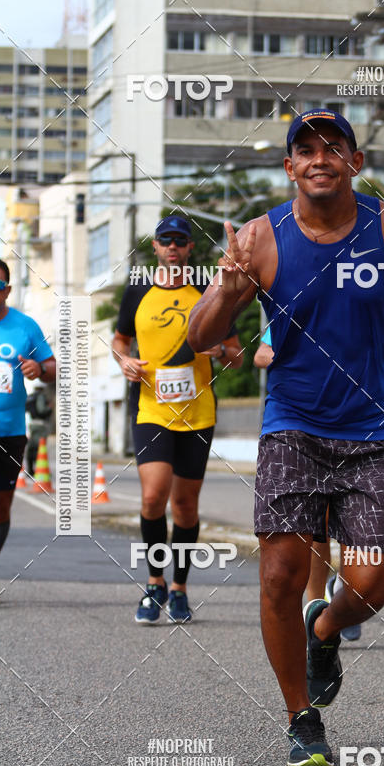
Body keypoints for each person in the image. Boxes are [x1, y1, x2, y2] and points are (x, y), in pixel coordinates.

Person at [188, 109, 384, 766]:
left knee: (372, 583)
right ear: (290, 167)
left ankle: (325, 627)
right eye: (305, 150)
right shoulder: (259, 238)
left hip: (377, 427)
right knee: (279, 574)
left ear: (355, 162)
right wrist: (228, 287)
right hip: (292, 426)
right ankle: (301, 717)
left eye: (334, 147)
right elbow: (199, 335)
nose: (319, 158)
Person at [112, 216, 243, 625]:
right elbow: (119, 340)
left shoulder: (209, 291)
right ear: (154, 246)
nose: (172, 246)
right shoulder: (137, 290)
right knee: (154, 497)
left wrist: (219, 351)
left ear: (189, 248)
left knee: (185, 505)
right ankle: (155, 583)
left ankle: (180, 588)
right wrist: (124, 361)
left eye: (180, 241)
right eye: (165, 240)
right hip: (150, 409)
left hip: (197, 413)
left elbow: (238, 355)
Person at [254, 327, 361, 640]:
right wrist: (303, 358)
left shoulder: (376, 298)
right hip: (305, 425)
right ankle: (315, 606)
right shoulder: (298, 304)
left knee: (354, 521)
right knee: (319, 522)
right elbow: (261, 354)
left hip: (357, 421)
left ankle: (345, 591)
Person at [0, 257, 56, 605]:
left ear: (7, 290)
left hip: (10, 432)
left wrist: (39, 369)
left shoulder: (25, 326)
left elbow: (53, 366)